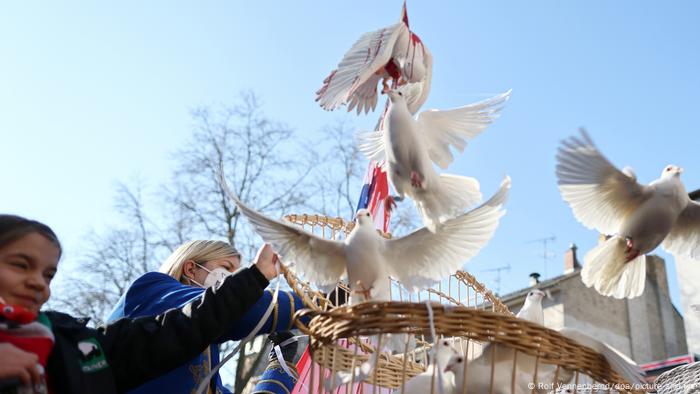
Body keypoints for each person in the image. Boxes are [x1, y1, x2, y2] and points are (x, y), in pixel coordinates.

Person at [0, 214, 278, 393]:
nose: (39, 282)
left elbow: (174, 332)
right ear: (190, 268)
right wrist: (301, 303)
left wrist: (280, 371)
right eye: (20, 265)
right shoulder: (153, 288)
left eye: (49, 274)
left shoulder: (70, 343)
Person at [108, 239, 306, 394]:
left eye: (238, 273)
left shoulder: (209, 365)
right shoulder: (152, 288)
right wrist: (316, 305)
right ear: (191, 269)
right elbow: (230, 306)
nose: (234, 278)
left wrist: (280, 365)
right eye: (227, 268)